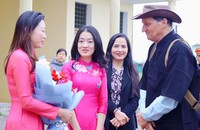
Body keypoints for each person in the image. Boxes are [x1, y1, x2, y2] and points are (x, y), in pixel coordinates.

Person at [132, 5, 199, 130]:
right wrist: (144, 116)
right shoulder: (153, 48)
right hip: (154, 123)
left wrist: (145, 116)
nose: (143, 29)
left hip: (179, 124)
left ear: (163, 22)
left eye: (147, 24)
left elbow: (171, 98)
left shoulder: (179, 49)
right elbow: (144, 87)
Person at [4, 11, 73, 130]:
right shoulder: (19, 57)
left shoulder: (28, 56)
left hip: (31, 119)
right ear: (27, 30)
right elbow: (26, 101)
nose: (45, 36)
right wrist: (58, 111)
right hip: (23, 121)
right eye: (42, 30)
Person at [61, 25, 108, 130]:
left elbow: (103, 102)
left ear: (96, 45)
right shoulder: (68, 67)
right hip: (72, 122)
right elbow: (66, 100)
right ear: (76, 44)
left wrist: (99, 128)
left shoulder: (101, 69)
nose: (85, 45)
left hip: (95, 123)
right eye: (81, 41)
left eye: (90, 42)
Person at [104, 33, 140, 130]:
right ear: (110, 48)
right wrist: (115, 112)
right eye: (116, 46)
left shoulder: (133, 71)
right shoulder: (103, 69)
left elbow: (135, 99)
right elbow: (101, 96)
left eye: (123, 46)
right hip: (106, 120)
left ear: (128, 50)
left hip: (126, 121)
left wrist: (122, 116)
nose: (120, 50)